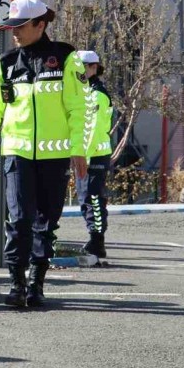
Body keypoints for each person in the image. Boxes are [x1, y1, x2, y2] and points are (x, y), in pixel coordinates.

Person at [0, 0, 90, 308]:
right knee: (20, 219)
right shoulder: (6, 63)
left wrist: (79, 149)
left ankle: (37, 281)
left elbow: (78, 108)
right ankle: (16, 283)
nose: (14, 33)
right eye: (10, 28)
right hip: (16, 154)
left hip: (55, 156)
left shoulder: (66, 57)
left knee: (45, 222)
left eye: (20, 27)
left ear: (40, 24)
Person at [76, 50, 113, 259]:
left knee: (93, 198)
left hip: (95, 153)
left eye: (84, 66)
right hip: (85, 153)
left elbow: (93, 129)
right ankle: (94, 237)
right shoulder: (84, 91)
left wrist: (85, 157)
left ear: (94, 67)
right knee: (85, 197)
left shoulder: (97, 94)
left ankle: (97, 240)